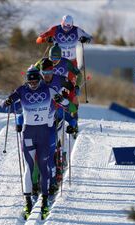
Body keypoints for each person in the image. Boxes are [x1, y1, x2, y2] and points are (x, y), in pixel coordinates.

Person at [3, 66, 70, 220]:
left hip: (44, 133)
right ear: (27, 81)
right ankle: (27, 201)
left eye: (35, 81)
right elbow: (10, 98)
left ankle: (45, 201)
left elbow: (66, 104)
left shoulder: (49, 90)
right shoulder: (22, 90)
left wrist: (62, 99)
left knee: (43, 165)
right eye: (30, 81)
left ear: (40, 79)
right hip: (28, 132)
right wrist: (8, 101)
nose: (32, 84)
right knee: (29, 166)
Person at [37, 58, 78, 196]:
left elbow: (72, 88)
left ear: (53, 70)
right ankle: (36, 180)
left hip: (57, 113)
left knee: (53, 150)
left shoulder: (60, 79)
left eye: (49, 71)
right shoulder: (38, 81)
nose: (46, 74)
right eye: (44, 72)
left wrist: (71, 95)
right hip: (40, 118)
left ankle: (54, 177)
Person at [36, 15, 92, 83]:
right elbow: (38, 40)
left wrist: (85, 39)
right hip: (57, 62)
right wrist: (46, 39)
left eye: (69, 27)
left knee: (72, 83)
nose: (66, 29)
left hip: (72, 61)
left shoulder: (76, 30)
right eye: (64, 27)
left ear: (72, 25)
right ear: (61, 23)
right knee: (56, 82)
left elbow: (90, 38)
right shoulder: (55, 29)